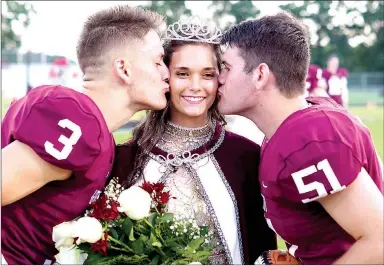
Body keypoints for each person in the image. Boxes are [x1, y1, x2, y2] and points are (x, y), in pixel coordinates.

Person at [1, 5, 170, 265]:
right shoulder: (78, 118)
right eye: (158, 61)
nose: (166, 73)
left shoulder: (96, 129)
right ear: (124, 69)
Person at [217, 12, 383, 265]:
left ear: (260, 75)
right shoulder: (292, 126)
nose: (218, 78)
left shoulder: (306, 142)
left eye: (226, 68)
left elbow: (379, 239)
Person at [110, 17, 277, 265]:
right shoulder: (126, 158)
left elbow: (262, 246)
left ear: (219, 79)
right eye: (183, 74)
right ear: (165, 76)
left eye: (207, 74)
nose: (196, 86)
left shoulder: (247, 157)